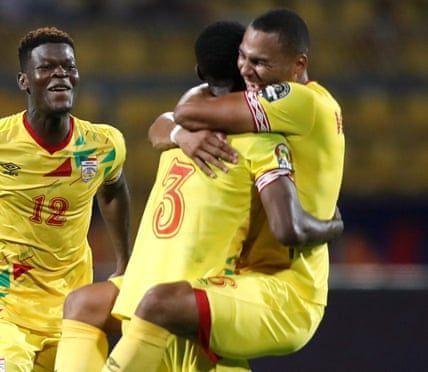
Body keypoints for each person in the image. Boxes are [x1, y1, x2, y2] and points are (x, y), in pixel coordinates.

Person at [55, 11, 344, 371]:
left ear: (299, 63)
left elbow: (289, 229)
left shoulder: (286, 116)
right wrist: (178, 132)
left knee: (161, 303)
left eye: (259, 62)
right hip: (237, 278)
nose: (249, 70)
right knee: (86, 302)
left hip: (284, 288)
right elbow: (174, 118)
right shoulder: (220, 135)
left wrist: (332, 227)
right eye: (244, 59)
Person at [0, 27, 132, 371]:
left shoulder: (104, 144)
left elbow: (114, 187)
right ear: (24, 80)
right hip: (0, 307)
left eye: (68, 67)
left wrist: (125, 264)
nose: (60, 74)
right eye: (46, 67)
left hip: (72, 311)